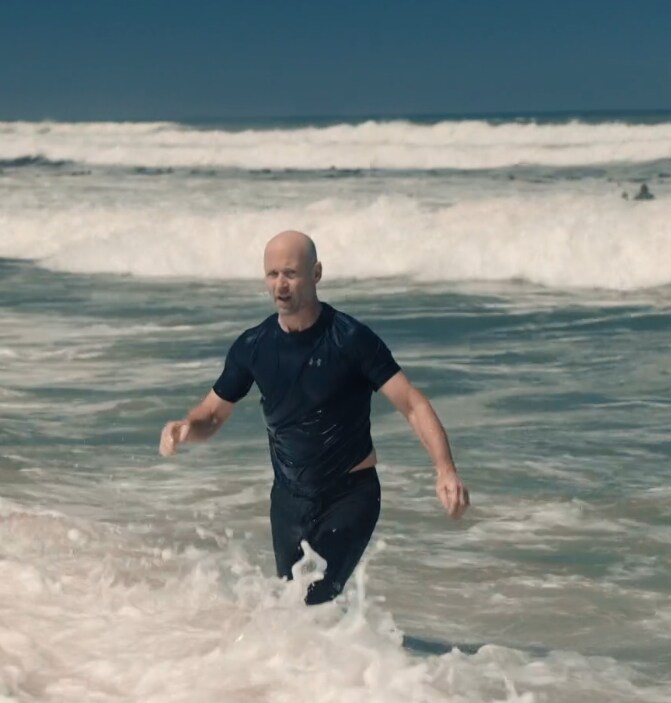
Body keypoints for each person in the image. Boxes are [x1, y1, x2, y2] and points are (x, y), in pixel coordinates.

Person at [158, 231, 469, 605]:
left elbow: (412, 403)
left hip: (350, 495)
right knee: (294, 608)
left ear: (316, 273)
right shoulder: (253, 347)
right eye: (272, 274)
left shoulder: (350, 339)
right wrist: (186, 428)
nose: (280, 285)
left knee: (313, 599)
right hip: (288, 500)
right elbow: (212, 414)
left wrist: (444, 468)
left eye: (290, 273)